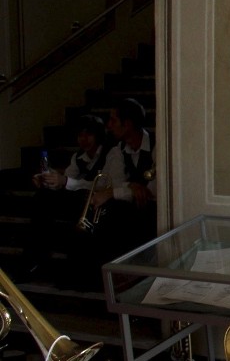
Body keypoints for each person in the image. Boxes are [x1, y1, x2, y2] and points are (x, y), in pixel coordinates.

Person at [25, 114, 110, 279]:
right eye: (80, 135)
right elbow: (67, 181)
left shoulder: (110, 153)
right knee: (43, 197)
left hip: (100, 204)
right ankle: (34, 259)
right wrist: (48, 181)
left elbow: (100, 185)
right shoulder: (78, 157)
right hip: (79, 201)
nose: (83, 139)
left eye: (88, 134)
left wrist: (65, 181)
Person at [92, 97, 157, 260]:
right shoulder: (118, 150)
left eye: (113, 120)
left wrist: (113, 193)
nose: (109, 126)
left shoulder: (158, 146)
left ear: (127, 124)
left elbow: (152, 192)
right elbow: (112, 182)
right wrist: (131, 186)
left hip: (154, 212)